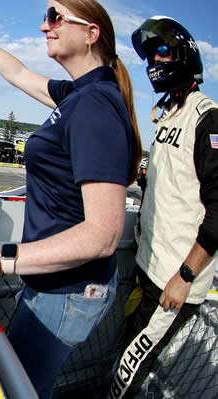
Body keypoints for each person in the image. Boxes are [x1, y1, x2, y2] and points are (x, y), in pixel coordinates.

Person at [0, 1, 142, 397]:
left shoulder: (96, 106)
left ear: (91, 33)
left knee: (22, 390)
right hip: (52, 281)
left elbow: (103, 235)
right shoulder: (82, 94)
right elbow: (18, 73)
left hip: (66, 289)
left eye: (55, 17)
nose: (44, 27)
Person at [107, 16, 218, 399]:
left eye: (163, 51)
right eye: (150, 54)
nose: (155, 60)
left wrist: (185, 276)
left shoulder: (208, 118)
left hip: (175, 280)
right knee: (124, 348)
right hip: (146, 266)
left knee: (131, 366)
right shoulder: (168, 114)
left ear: (184, 54)